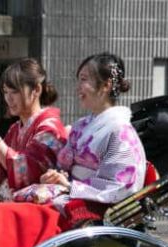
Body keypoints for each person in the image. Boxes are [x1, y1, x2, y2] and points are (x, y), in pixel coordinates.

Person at [35, 52, 147, 228]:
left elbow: (121, 186)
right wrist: (59, 176)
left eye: (83, 80)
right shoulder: (81, 126)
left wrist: (71, 186)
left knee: (28, 215)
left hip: (92, 211)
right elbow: (65, 167)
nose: (78, 88)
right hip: (72, 196)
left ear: (105, 85)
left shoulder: (120, 131)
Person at [0, 57, 67, 204]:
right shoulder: (15, 129)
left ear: (36, 90)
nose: (8, 98)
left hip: (34, 210)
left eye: (14, 92)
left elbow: (27, 173)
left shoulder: (51, 128)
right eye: (5, 92)